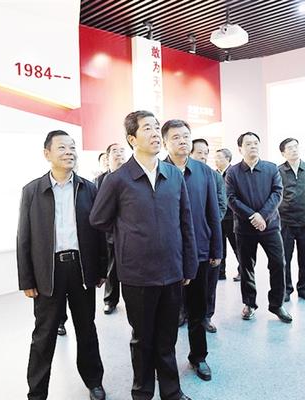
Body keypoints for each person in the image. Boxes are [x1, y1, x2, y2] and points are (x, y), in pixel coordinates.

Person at [90, 110, 197, 400]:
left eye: (155, 127)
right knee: (142, 338)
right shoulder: (118, 179)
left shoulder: (173, 175)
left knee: (168, 337)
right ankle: (142, 392)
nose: (154, 133)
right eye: (147, 128)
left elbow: (185, 222)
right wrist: (128, 237)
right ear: (132, 139)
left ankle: (172, 392)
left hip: (172, 270)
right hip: (137, 274)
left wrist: (188, 266)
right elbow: (98, 219)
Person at [17, 130, 106, 400]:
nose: (69, 152)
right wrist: (27, 279)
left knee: (86, 328)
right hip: (49, 271)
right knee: (44, 335)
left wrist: (101, 269)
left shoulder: (89, 188)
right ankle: (37, 391)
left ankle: (94, 381)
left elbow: (99, 232)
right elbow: (24, 236)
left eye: (72, 147)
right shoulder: (32, 190)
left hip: (81, 268)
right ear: (47, 154)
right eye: (62, 148)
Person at [164, 127, 222, 381]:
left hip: (199, 252)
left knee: (198, 311)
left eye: (186, 136)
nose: (182, 141)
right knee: (167, 315)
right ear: (165, 142)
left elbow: (213, 212)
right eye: (175, 137)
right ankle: (164, 363)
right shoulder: (158, 171)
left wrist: (216, 249)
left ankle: (198, 357)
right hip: (167, 255)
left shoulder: (204, 172)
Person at [225, 132, 292, 323]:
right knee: (246, 266)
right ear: (240, 149)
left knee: (278, 264)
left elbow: (277, 193)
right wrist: (252, 216)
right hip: (244, 229)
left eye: (256, 143)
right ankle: (249, 303)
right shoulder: (233, 172)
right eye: (248, 144)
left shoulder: (271, 168)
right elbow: (231, 198)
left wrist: (262, 215)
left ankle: (277, 304)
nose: (253, 146)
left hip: (270, 226)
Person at [190, 138, 226, 334]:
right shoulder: (179, 174)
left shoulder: (213, 176)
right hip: (187, 237)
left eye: (206, 153)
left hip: (208, 234)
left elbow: (220, 205)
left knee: (209, 282)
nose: (203, 156)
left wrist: (205, 223)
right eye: (199, 153)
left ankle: (207, 316)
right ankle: (184, 313)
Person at [278, 138, 305, 303]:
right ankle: (286, 289)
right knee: (285, 258)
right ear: (283, 153)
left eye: (296, 146)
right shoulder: (278, 171)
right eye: (289, 148)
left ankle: (304, 288)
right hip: (285, 221)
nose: (294, 150)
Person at [98, 142, 127, 315]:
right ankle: (110, 300)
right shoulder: (100, 180)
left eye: (122, 151)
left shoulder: (132, 176)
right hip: (109, 233)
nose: (119, 154)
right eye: (115, 151)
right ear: (107, 157)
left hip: (130, 232)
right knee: (111, 269)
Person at [215, 148, 241, 282]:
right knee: (220, 246)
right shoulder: (214, 174)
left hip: (232, 216)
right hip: (218, 216)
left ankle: (242, 271)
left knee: (237, 246)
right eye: (215, 157)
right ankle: (220, 272)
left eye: (219, 157)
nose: (216, 160)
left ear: (228, 159)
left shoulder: (234, 173)